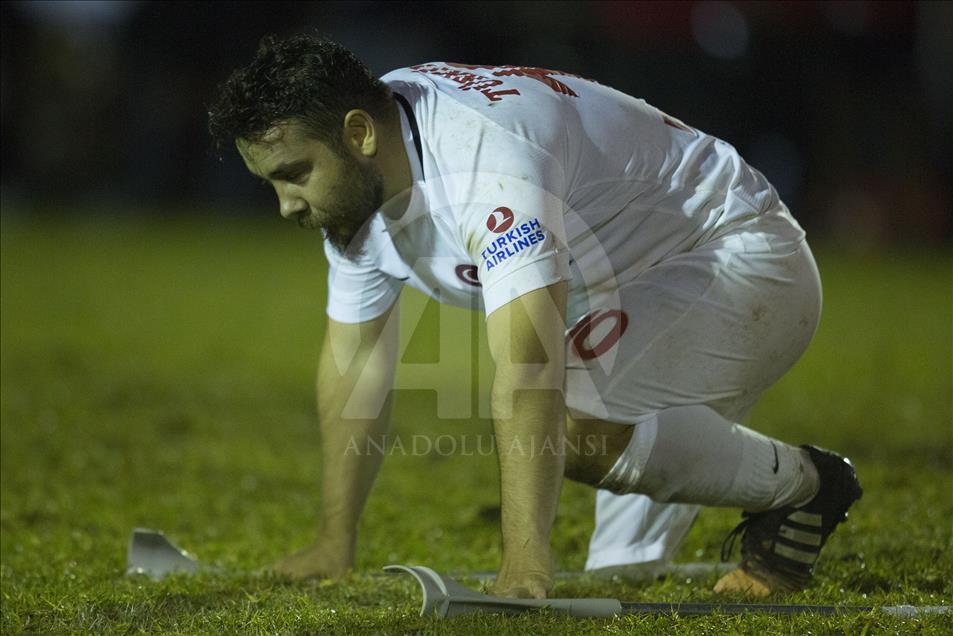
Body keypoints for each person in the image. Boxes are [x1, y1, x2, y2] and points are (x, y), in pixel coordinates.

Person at [207, 33, 861, 599]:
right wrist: (333, 542)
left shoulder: (487, 167)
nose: (286, 206)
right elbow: (355, 365)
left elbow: (529, 370)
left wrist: (523, 560)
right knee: (624, 575)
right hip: (629, 290)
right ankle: (773, 506)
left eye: (293, 175)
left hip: (734, 261)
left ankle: (806, 486)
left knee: (569, 418)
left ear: (358, 133)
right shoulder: (367, 163)